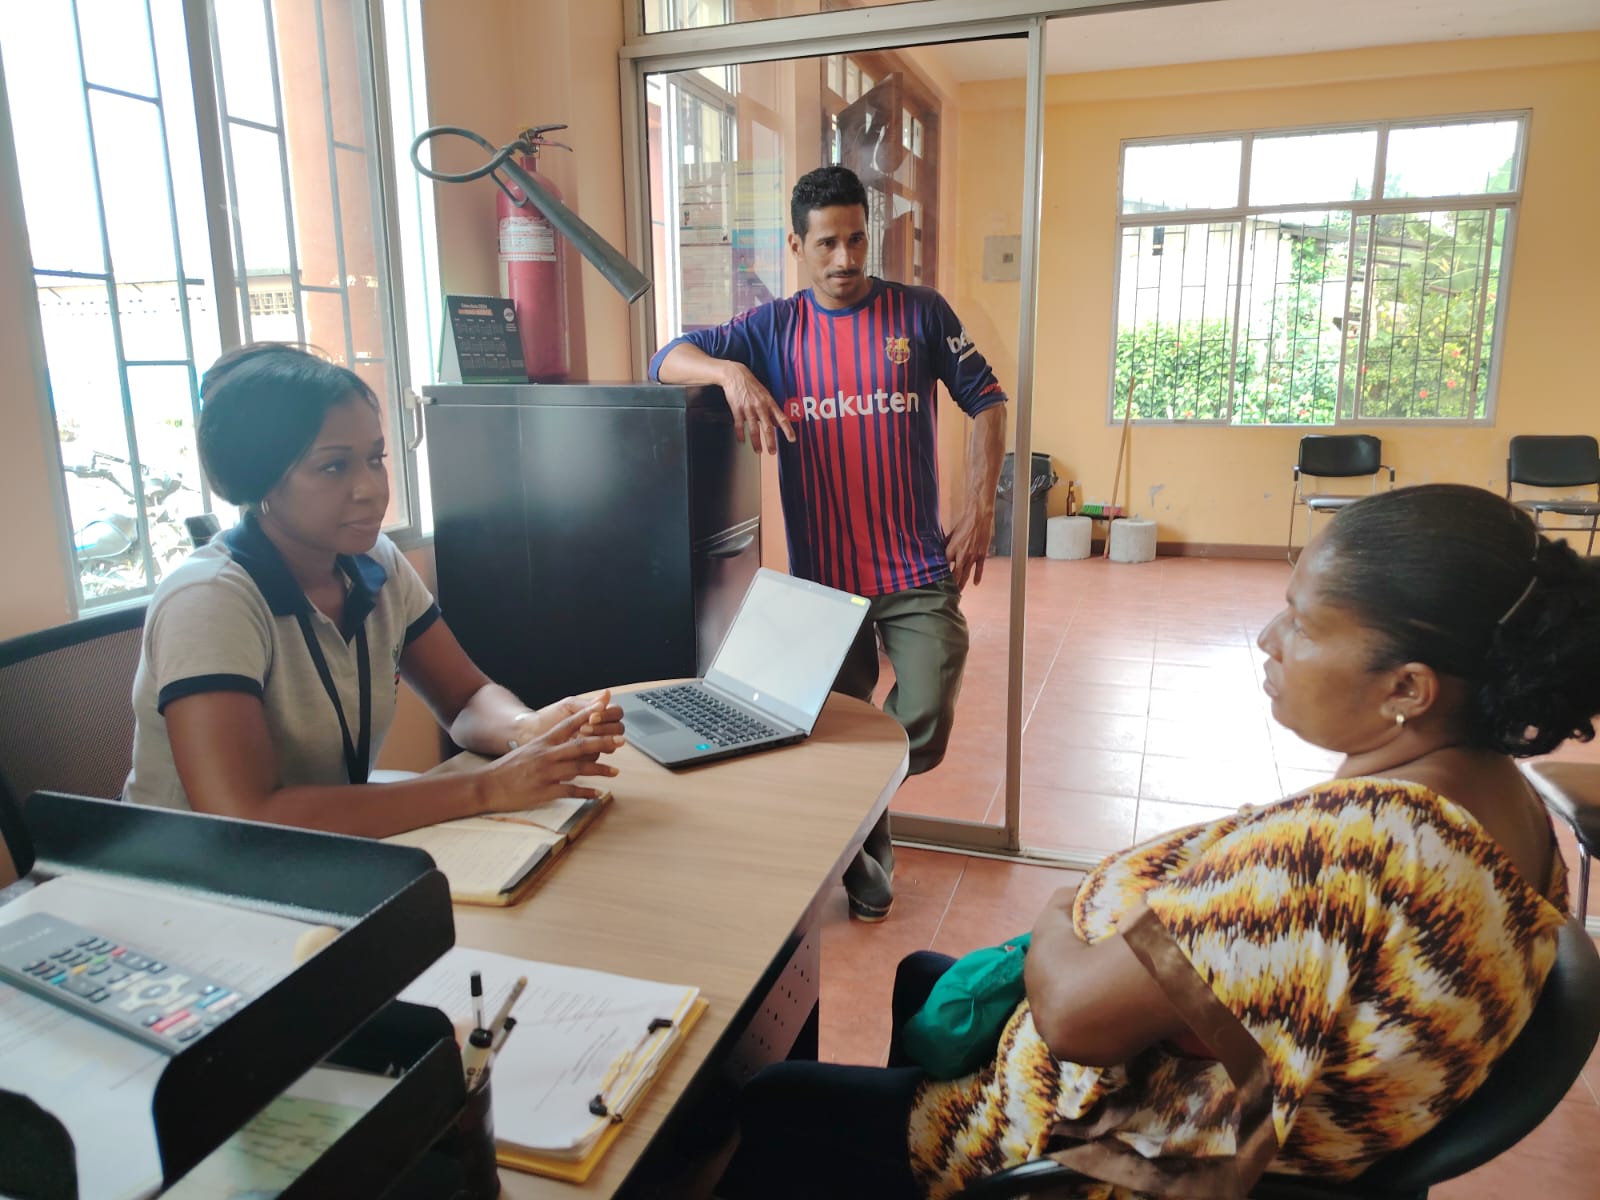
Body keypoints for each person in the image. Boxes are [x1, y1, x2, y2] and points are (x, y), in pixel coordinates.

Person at [716, 483, 1600, 1199]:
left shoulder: (1366, 851)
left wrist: (1060, 913)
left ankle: (925, 1160)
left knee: (778, 1102)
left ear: (1408, 687)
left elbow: (1074, 1018)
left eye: (1302, 623)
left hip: (1107, 1162)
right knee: (925, 980)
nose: (1269, 639)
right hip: (1221, 1105)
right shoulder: (1505, 805)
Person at [650, 164, 1009, 921]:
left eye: (856, 240)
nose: (845, 259)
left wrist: (981, 504)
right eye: (826, 244)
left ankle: (850, 829)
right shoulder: (772, 329)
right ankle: (868, 865)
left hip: (915, 567)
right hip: (825, 584)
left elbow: (987, 399)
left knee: (925, 717)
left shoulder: (920, 314)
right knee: (839, 731)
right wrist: (728, 374)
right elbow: (664, 357)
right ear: (797, 246)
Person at [123, 344, 625, 837]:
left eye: (374, 458)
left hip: (327, 849)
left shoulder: (376, 562)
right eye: (333, 466)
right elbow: (244, 816)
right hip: (194, 869)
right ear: (261, 481)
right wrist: (486, 787)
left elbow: (465, 698)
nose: (371, 489)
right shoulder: (210, 600)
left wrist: (525, 729)